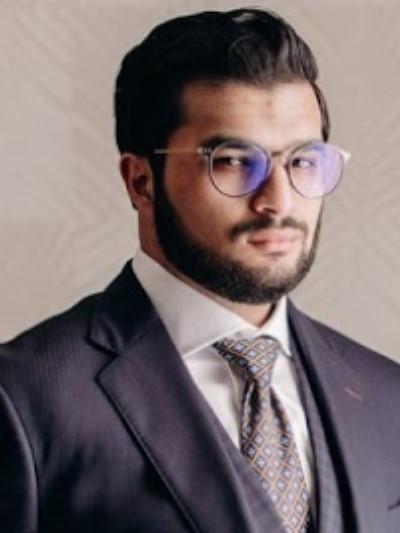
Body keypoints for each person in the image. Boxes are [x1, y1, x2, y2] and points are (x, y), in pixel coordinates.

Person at [0, 7, 399, 533]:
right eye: (234, 161)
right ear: (141, 181)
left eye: (303, 160)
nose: (279, 201)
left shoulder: (387, 393)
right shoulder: (23, 398)